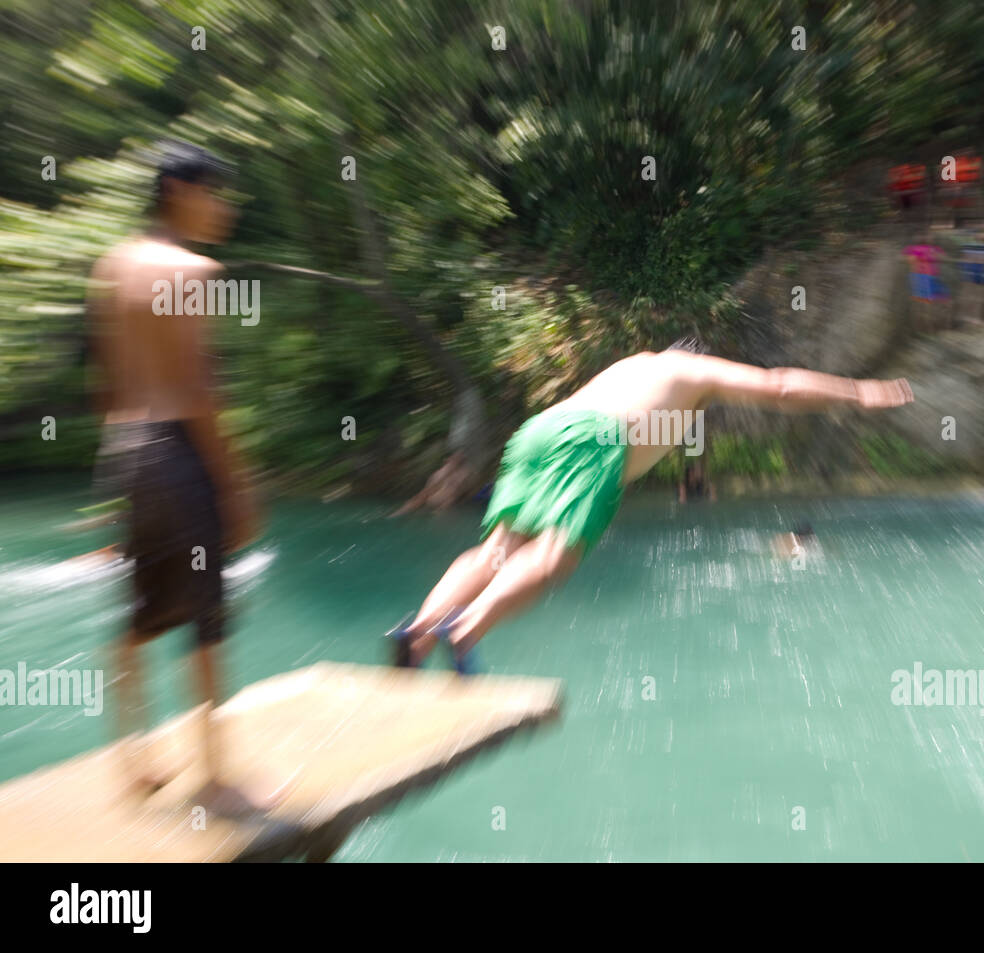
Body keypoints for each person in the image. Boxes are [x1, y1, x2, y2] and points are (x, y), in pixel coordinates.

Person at [390, 342, 914, 668]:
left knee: (498, 550)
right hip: (595, 440)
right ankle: (465, 630)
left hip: (541, 430)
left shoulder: (636, 364)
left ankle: (417, 635)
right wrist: (856, 392)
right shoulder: (697, 374)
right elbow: (777, 386)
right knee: (552, 557)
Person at [87, 140, 274, 812]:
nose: (222, 205)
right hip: (179, 454)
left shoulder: (113, 266)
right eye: (212, 190)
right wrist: (235, 482)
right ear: (176, 190)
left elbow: (109, 380)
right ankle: (216, 774)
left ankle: (134, 759)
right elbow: (198, 391)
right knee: (207, 615)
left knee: (143, 609)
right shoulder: (192, 271)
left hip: (128, 449)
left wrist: (111, 488)